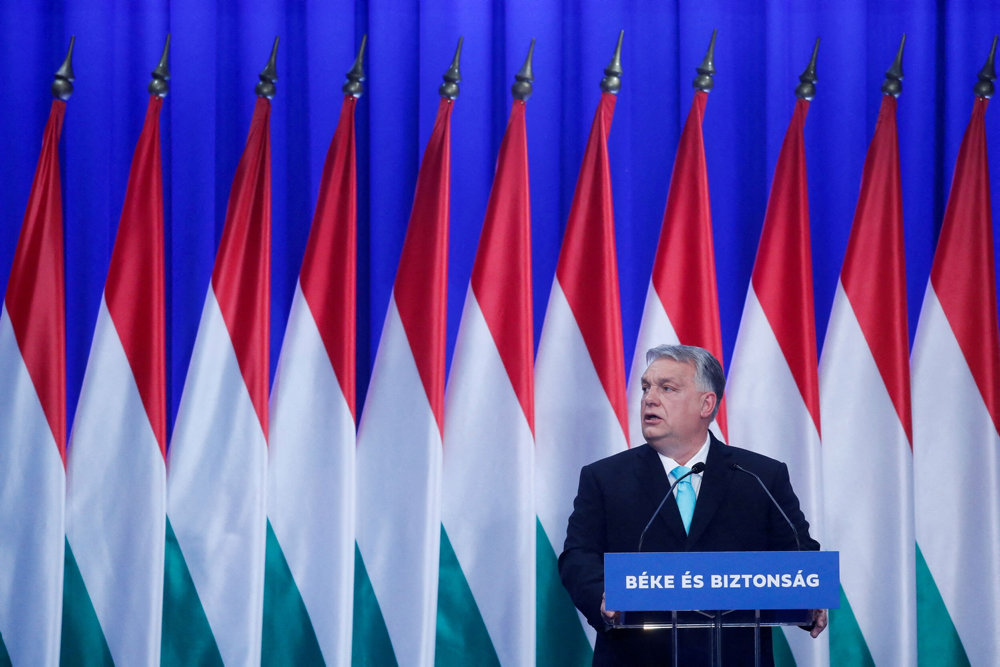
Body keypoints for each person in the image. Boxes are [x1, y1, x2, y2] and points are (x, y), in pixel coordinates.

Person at [559, 344, 827, 665]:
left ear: (706, 403)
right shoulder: (605, 477)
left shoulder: (760, 476)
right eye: (646, 387)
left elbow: (797, 551)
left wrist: (809, 598)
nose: (649, 398)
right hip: (637, 655)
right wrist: (602, 596)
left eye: (667, 388)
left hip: (734, 655)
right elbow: (578, 555)